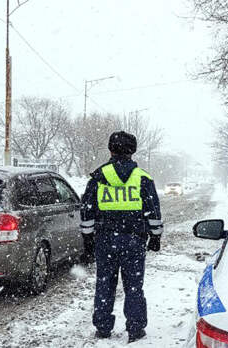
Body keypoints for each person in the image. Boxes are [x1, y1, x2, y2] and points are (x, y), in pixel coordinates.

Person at [79, 131, 163, 343]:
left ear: (110, 150)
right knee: (134, 286)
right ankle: (135, 329)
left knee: (104, 284)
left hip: (105, 241)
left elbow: (87, 211)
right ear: (132, 151)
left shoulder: (98, 178)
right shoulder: (142, 178)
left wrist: (88, 240)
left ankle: (103, 327)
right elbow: (153, 211)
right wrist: (155, 237)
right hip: (134, 241)